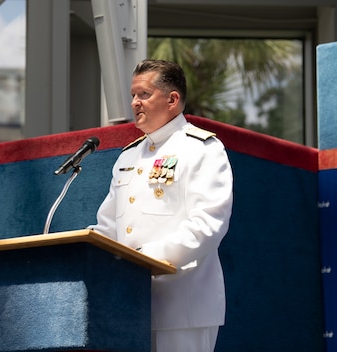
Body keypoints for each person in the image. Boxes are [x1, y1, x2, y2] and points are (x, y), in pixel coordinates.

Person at [89, 59, 234, 352]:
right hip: (130, 304)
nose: (134, 103)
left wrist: (144, 260)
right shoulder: (128, 157)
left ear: (172, 99)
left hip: (183, 305)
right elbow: (109, 227)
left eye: (144, 94)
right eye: (133, 95)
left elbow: (208, 223)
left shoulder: (201, 148)